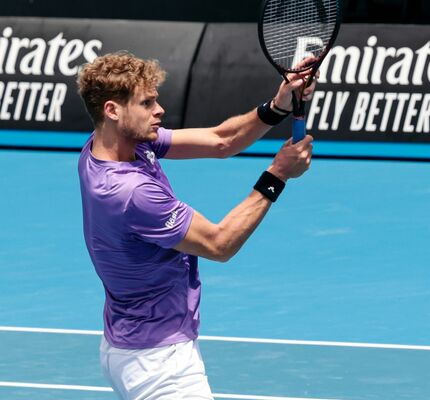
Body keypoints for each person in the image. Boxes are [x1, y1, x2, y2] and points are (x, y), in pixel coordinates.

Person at [76, 51, 315, 399]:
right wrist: (277, 174)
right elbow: (220, 243)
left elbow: (222, 141)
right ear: (112, 110)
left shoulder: (111, 145)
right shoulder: (130, 192)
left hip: (131, 343)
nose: (159, 110)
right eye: (147, 103)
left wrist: (277, 107)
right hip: (159, 364)